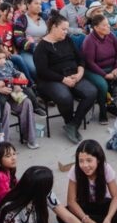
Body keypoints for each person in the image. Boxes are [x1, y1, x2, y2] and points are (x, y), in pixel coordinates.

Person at [0, 165, 99, 223]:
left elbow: (68, 217)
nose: (50, 189)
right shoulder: (10, 211)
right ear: (38, 190)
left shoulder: (44, 193)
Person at [33, 14, 97, 145]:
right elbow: (43, 71)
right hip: (51, 79)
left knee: (91, 92)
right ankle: (69, 121)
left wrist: (80, 72)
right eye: (63, 29)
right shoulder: (42, 47)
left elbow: (80, 58)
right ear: (54, 27)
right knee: (64, 97)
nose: (66, 32)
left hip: (73, 74)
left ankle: (73, 124)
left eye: (67, 29)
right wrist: (63, 79)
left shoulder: (67, 40)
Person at [66, 139, 117, 223]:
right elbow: (71, 201)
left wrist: (108, 218)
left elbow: (115, 197)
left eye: (89, 160)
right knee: (62, 215)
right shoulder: (74, 170)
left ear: (98, 159)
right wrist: (86, 220)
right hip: (84, 206)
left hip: (102, 203)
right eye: (81, 161)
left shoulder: (106, 168)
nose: (85, 165)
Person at [0, 44, 39, 148]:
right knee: (4, 106)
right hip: (1, 92)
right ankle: (3, 141)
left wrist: (19, 74)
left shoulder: (8, 64)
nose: (2, 61)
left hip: (13, 90)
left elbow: (14, 72)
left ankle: (29, 137)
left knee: (27, 101)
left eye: (3, 57)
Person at [82, 14, 117, 124]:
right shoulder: (89, 40)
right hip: (93, 70)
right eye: (104, 25)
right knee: (102, 85)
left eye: (108, 24)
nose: (108, 27)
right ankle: (103, 112)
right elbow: (90, 63)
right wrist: (104, 75)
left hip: (112, 68)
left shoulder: (111, 35)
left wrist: (116, 68)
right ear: (96, 27)